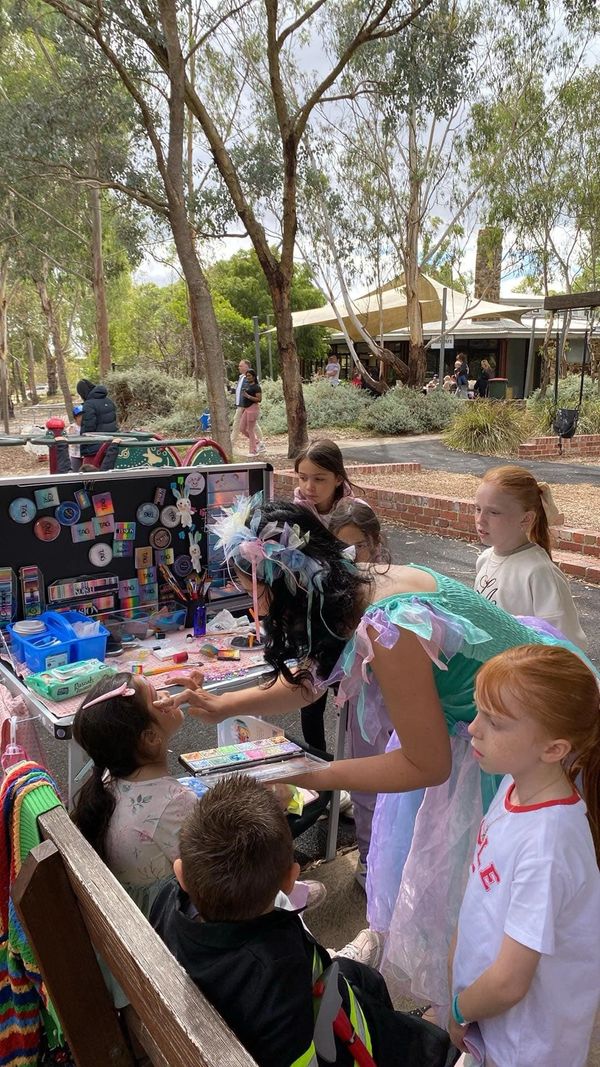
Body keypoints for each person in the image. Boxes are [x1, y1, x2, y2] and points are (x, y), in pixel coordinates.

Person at [154, 498, 599, 1010]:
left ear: (290, 587)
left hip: (512, 731)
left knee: (486, 887)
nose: (251, 608)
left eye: (253, 593)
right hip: (490, 713)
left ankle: (483, 1002)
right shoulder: (347, 582)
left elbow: (426, 764)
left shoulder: (390, 629)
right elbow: (313, 680)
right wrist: (219, 704)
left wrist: (313, 775)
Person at [150, 774, 451, 1067]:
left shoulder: (167, 902)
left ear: (181, 874)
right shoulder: (277, 966)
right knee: (418, 1038)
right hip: (343, 1041)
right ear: (291, 880)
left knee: (363, 977)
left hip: (236, 996)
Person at [449, 644, 600, 1067]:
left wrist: (459, 1010)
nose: (473, 728)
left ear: (553, 749)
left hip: (525, 1045)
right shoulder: (515, 785)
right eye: (478, 711)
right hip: (491, 1023)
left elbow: (511, 983)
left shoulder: (548, 846)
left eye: (494, 722)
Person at [71, 672, 196, 916]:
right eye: (156, 697)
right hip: (163, 927)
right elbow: (208, 880)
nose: (166, 696)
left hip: (121, 922)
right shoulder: (175, 802)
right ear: (150, 738)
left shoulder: (107, 783)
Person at [329, 500, 392, 889]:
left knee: (401, 790)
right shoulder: (339, 589)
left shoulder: (391, 590)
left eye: (357, 547)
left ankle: (390, 866)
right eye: (340, 549)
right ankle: (369, 862)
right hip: (361, 700)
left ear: (376, 543)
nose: (350, 557)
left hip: (392, 702)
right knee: (366, 788)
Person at [474, 465, 587, 650]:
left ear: (526, 519)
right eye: (477, 509)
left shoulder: (539, 573)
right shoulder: (485, 559)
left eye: (493, 512)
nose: (480, 519)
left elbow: (564, 645)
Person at [293, 440, 358, 752]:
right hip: (309, 622)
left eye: (319, 478)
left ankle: (350, 767)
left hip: (348, 621)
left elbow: (360, 568)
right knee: (309, 696)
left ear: (338, 479)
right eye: (303, 477)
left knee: (349, 699)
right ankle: (318, 766)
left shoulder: (354, 515)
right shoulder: (292, 515)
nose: (309, 487)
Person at [76, 379, 119, 459]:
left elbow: (88, 426)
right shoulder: (109, 401)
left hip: (94, 446)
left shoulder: (89, 404)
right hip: (111, 442)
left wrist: (84, 445)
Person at [231, 359, 266, 456]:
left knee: (237, 425)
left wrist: (244, 406)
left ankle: (231, 445)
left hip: (245, 406)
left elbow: (250, 392)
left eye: (241, 366)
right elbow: (241, 391)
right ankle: (260, 443)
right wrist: (233, 390)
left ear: (247, 367)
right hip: (242, 406)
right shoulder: (241, 377)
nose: (239, 367)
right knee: (252, 426)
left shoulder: (248, 378)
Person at [238, 368, 263, 457]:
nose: (248, 377)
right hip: (246, 409)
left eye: (249, 376)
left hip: (253, 409)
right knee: (242, 428)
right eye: (246, 376)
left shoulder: (256, 387)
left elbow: (259, 399)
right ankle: (257, 442)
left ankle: (253, 451)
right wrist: (244, 409)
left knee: (250, 430)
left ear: (253, 376)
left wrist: (248, 396)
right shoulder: (248, 385)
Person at [67, 403, 83, 471]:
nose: (82, 418)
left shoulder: (88, 426)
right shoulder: (72, 427)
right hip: (75, 454)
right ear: (76, 417)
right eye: (79, 416)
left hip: (86, 454)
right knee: (76, 471)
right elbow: (71, 442)